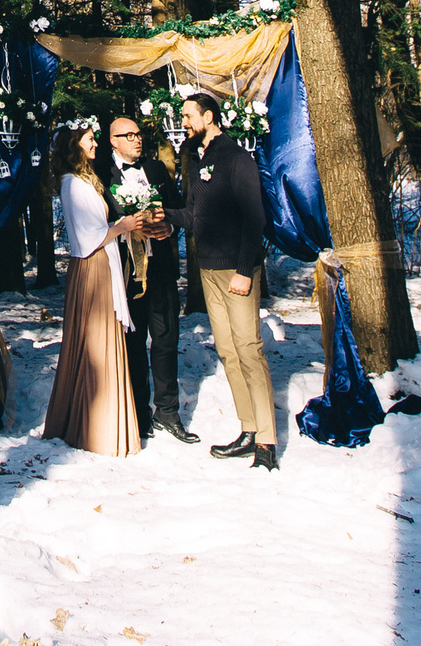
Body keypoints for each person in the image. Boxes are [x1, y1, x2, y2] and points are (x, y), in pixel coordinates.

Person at [167, 90, 279, 471]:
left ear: (209, 116)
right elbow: (194, 216)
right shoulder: (198, 160)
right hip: (209, 272)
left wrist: (246, 271)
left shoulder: (236, 158)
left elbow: (255, 219)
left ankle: (267, 442)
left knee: (249, 349)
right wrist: (161, 217)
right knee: (229, 352)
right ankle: (248, 429)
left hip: (236, 271)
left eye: (187, 115)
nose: (183, 122)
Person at [41, 123, 161, 456]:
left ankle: (104, 425)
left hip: (103, 267)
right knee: (97, 345)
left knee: (104, 342)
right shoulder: (72, 184)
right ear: (74, 147)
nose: (95, 145)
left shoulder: (85, 180)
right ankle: (98, 429)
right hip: (93, 271)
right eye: (90, 140)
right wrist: (122, 226)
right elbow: (86, 239)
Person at [96, 111, 196, 444]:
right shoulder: (100, 173)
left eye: (139, 134)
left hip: (162, 269)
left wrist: (168, 226)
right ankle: (138, 415)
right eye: (129, 135)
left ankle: (167, 412)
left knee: (166, 340)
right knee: (134, 344)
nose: (137, 139)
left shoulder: (154, 168)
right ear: (113, 140)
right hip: (126, 273)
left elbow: (178, 208)